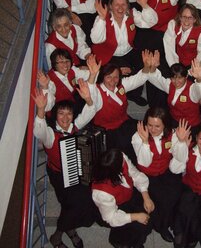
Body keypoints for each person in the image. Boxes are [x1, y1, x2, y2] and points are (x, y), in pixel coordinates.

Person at [33, 80, 100, 248]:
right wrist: (41, 110)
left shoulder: (75, 126)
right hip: (58, 174)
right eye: (61, 114)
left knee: (79, 202)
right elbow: (39, 131)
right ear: (56, 116)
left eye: (68, 114)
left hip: (78, 171)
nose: (65, 118)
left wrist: (89, 99)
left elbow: (91, 111)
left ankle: (67, 230)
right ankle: (60, 234)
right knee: (71, 203)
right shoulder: (50, 134)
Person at [131, 108, 190, 242]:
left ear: (165, 125)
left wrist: (181, 142)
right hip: (146, 175)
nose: (153, 129)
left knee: (175, 193)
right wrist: (145, 142)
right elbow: (145, 163)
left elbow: (181, 157)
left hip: (164, 171)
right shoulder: (137, 136)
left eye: (157, 126)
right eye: (150, 125)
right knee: (158, 199)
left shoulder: (172, 134)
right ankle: (160, 226)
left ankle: (169, 224)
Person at [90, 0, 157, 106]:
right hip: (109, 54)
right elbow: (95, 39)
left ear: (127, 5)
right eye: (117, 4)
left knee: (144, 65)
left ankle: (134, 95)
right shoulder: (103, 17)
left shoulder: (131, 14)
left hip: (128, 51)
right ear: (111, 6)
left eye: (123, 4)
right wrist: (101, 18)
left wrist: (145, 5)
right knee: (120, 72)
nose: (120, 8)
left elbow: (151, 22)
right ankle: (119, 95)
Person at [87, 57, 149, 159]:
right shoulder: (97, 92)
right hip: (108, 132)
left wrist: (147, 67)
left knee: (145, 131)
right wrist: (92, 75)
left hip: (124, 123)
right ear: (102, 77)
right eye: (108, 77)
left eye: (116, 77)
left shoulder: (120, 86)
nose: (112, 81)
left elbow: (138, 79)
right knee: (122, 153)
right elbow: (90, 92)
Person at [92, 148, 154, 248]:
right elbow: (111, 217)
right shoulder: (101, 192)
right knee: (138, 227)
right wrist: (136, 216)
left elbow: (135, 174)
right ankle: (120, 242)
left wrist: (146, 196)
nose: (124, 163)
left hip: (127, 195)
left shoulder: (120, 157)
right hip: (114, 209)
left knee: (148, 215)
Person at [147, 55, 201, 137]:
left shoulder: (192, 89)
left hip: (191, 126)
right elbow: (156, 79)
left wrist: (199, 79)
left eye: (180, 78)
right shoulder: (170, 84)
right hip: (174, 121)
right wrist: (153, 67)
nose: (176, 81)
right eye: (173, 78)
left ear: (186, 77)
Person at [37, 49, 93, 113]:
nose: (65, 64)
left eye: (67, 61)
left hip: (74, 104)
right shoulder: (50, 81)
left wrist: (91, 69)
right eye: (61, 62)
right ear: (54, 64)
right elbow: (47, 108)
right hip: (60, 112)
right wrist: (45, 87)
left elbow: (89, 75)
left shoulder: (72, 70)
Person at [163, 3, 201, 68]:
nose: (186, 20)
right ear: (180, 17)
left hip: (193, 65)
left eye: (190, 18)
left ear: (195, 19)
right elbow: (169, 48)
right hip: (175, 62)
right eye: (184, 17)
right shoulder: (173, 25)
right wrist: (174, 67)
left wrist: (192, 70)